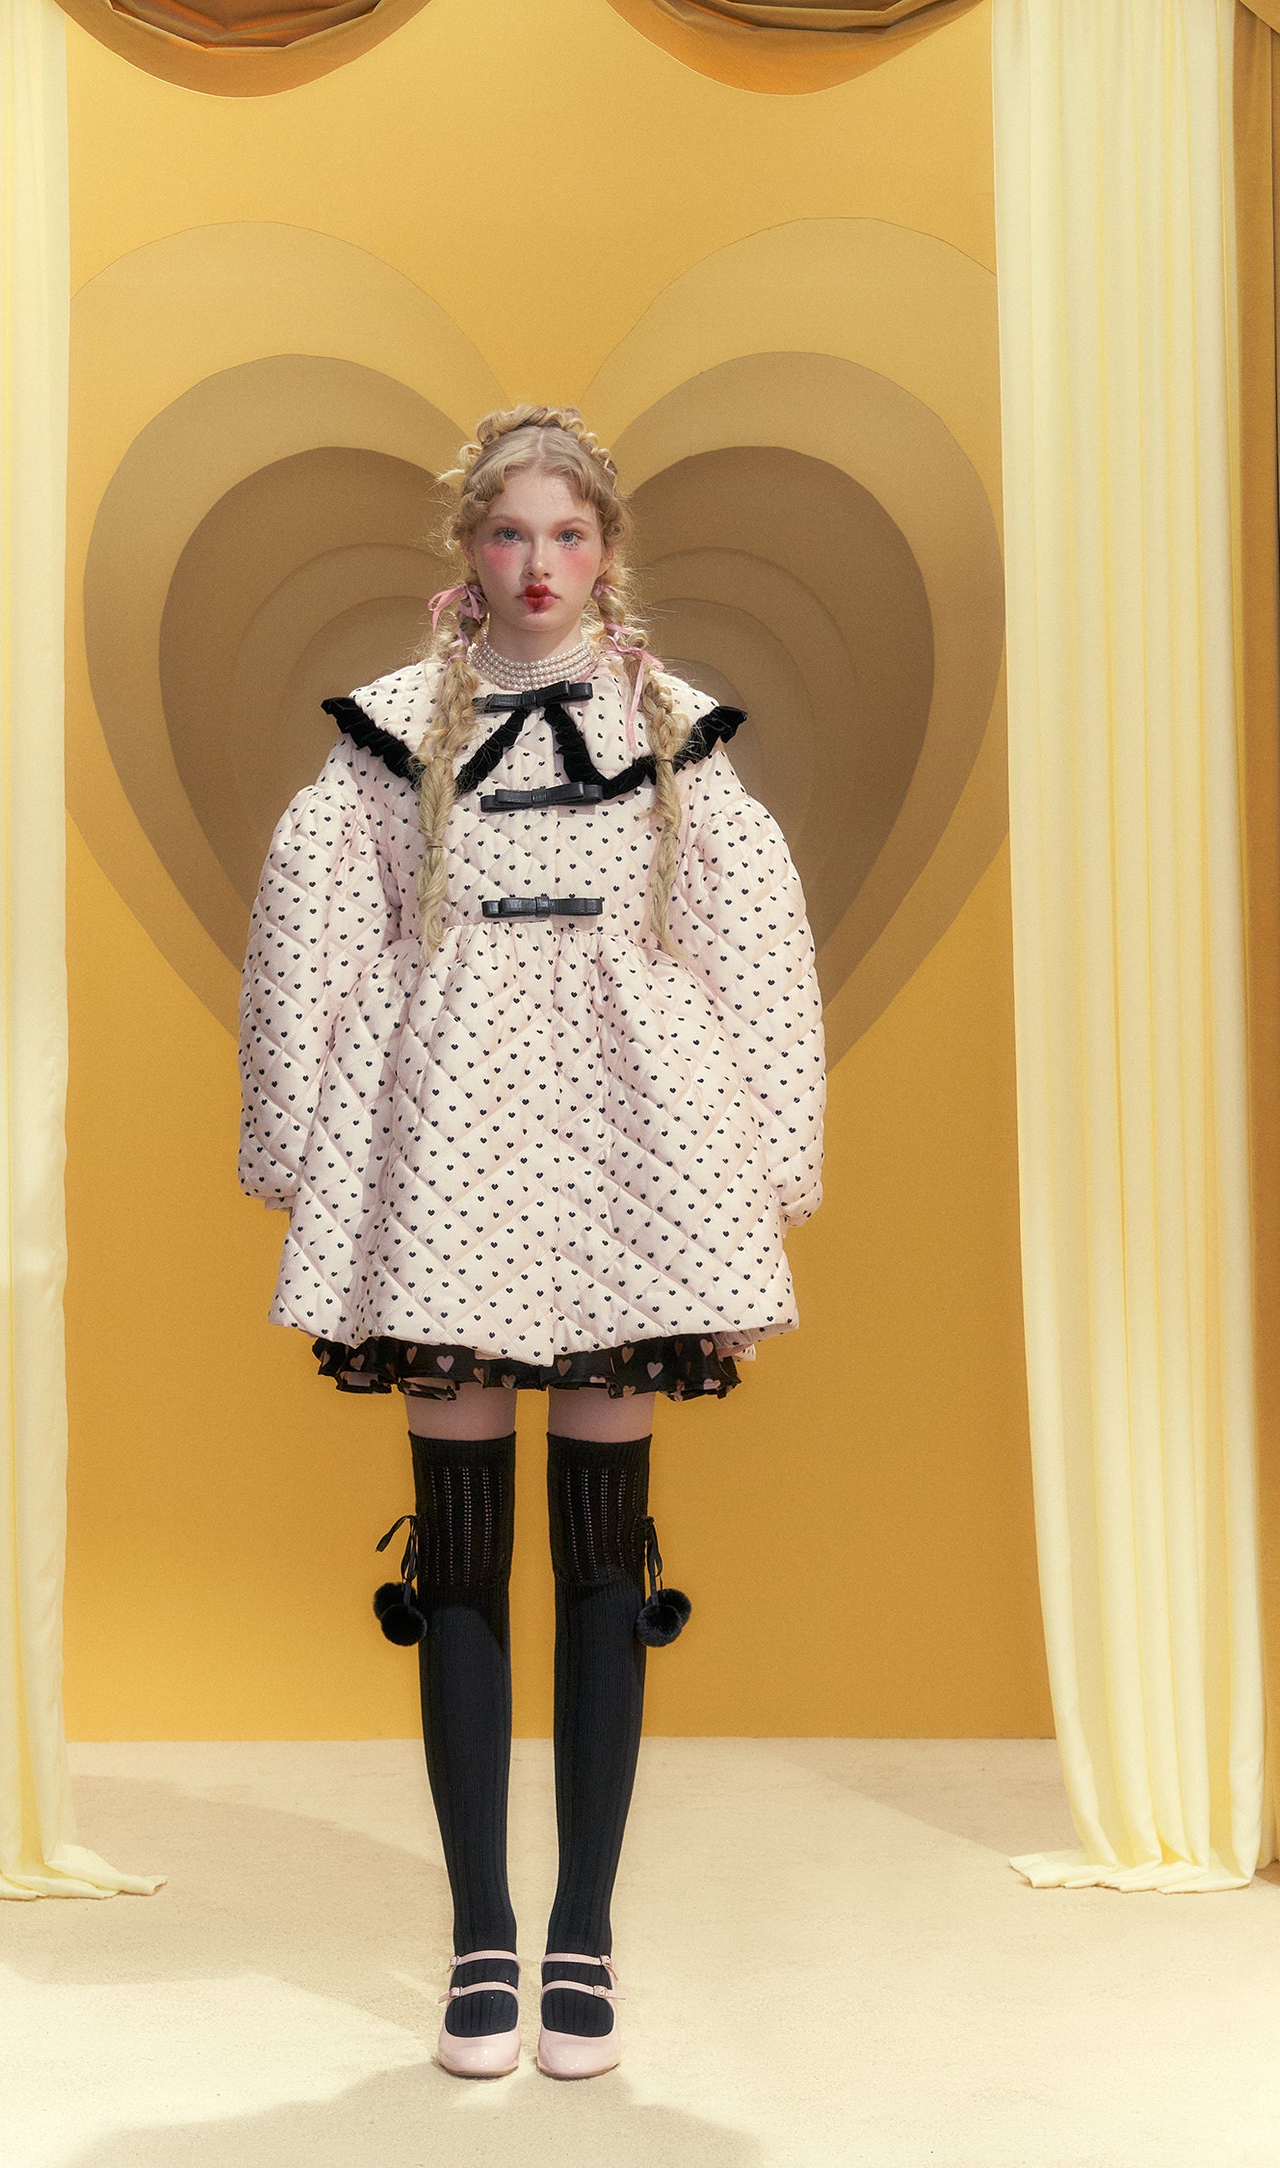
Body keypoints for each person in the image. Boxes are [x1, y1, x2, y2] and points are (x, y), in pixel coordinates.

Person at [237, 405, 825, 2080]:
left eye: (568, 535)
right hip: (446, 1164)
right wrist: (303, 1156)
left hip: (634, 1164)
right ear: (467, 551)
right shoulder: (389, 735)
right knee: (457, 1555)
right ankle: (479, 1939)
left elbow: (754, 957)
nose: (538, 564)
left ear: (608, 550)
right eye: (509, 534)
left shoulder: (675, 736)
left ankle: (585, 1936)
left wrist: (764, 1174)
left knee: (604, 1559)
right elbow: (311, 943)